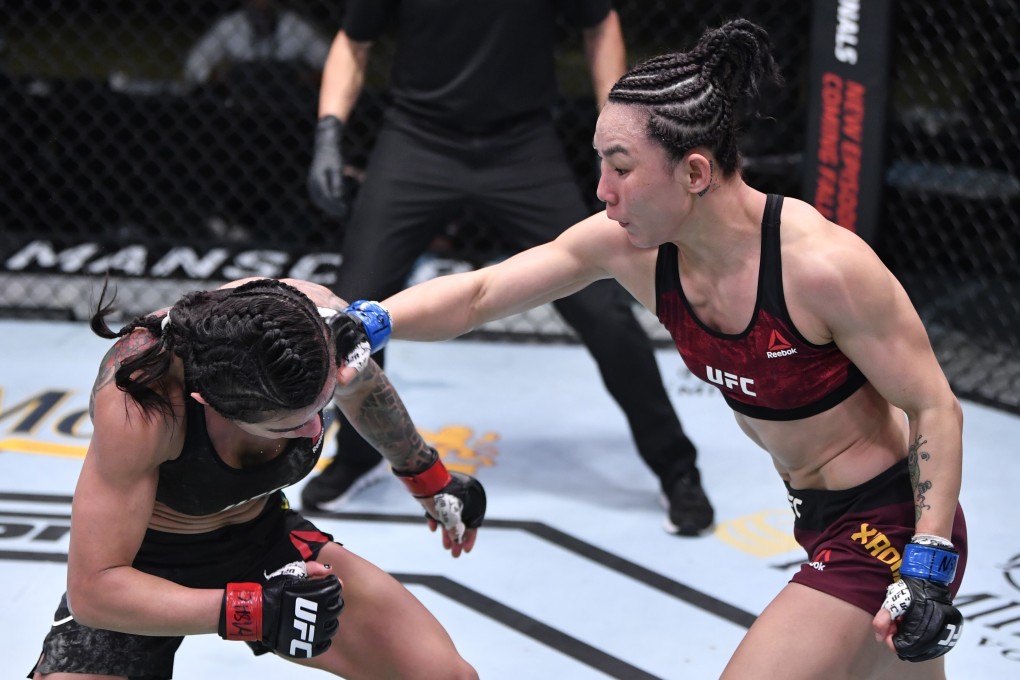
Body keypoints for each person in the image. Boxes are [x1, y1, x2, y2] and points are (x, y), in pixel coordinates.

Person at [355, 19, 970, 678]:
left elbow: (933, 407)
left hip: (890, 519)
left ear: (695, 172)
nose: (602, 190)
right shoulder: (633, 247)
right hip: (812, 514)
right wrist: (368, 321)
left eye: (621, 167)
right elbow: (480, 295)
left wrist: (928, 565)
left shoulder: (822, 268)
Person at [304, 0, 715, 537]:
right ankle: (358, 455)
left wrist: (620, 130)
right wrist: (328, 131)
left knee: (603, 311)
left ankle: (676, 469)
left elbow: (599, 23)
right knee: (355, 309)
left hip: (521, 144)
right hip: (418, 139)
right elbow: (352, 42)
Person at [28, 277, 485, 679]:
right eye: (287, 425)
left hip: (262, 540)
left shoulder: (300, 326)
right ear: (210, 402)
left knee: (444, 675)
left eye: (319, 409)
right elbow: (95, 588)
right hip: (141, 567)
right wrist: (253, 610)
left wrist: (426, 475)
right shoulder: (142, 404)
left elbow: (358, 381)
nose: (312, 431)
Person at [183, 0, 330, 85]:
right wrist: (224, 80)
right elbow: (194, 65)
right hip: (240, 103)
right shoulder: (232, 25)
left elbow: (331, 65)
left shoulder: (294, 26)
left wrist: (305, 80)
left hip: (288, 104)